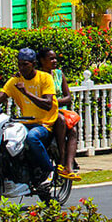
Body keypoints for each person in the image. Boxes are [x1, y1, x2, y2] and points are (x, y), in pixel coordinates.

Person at [0, 47, 57, 193]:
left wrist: (26, 93)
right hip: (24, 122)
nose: (21, 68)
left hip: (44, 123)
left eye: (25, 64)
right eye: (19, 64)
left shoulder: (45, 78)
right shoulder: (15, 80)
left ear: (33, 64)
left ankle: (48, 171)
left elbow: (48, 104)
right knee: (6, 141)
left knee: (32, 137)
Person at [38, 47, 80, 180]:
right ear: (42, 61)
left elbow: (68, 97)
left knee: (73, 130)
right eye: (51, 59)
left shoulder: (58, 74)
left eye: (55, 58)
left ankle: (69, 166)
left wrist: (54, 101)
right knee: (60, 120)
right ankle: (61, 157)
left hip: (59, 109)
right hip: (44, 112)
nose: (54, 61)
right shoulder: (38, 76)